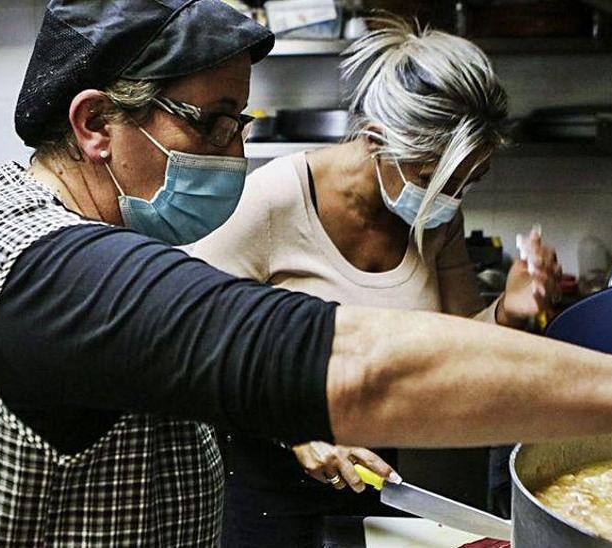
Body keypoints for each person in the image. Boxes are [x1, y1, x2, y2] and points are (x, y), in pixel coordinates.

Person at [0, 2, 612, 546]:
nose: (232, 151)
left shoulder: (12, 209)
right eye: (208, 121)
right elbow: (361, 363)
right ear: (93, 126)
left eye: (239, 122)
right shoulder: (63, 274)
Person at [184, 18, 558, 546]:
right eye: (434, 179)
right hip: (262, 480)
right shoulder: (269, 202)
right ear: (378, 141)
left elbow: (454, 345)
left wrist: (507, 312)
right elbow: (195, 347)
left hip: (376, 472)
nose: (449, 201)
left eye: (467, 183)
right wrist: (295, 433)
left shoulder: (436, 213)